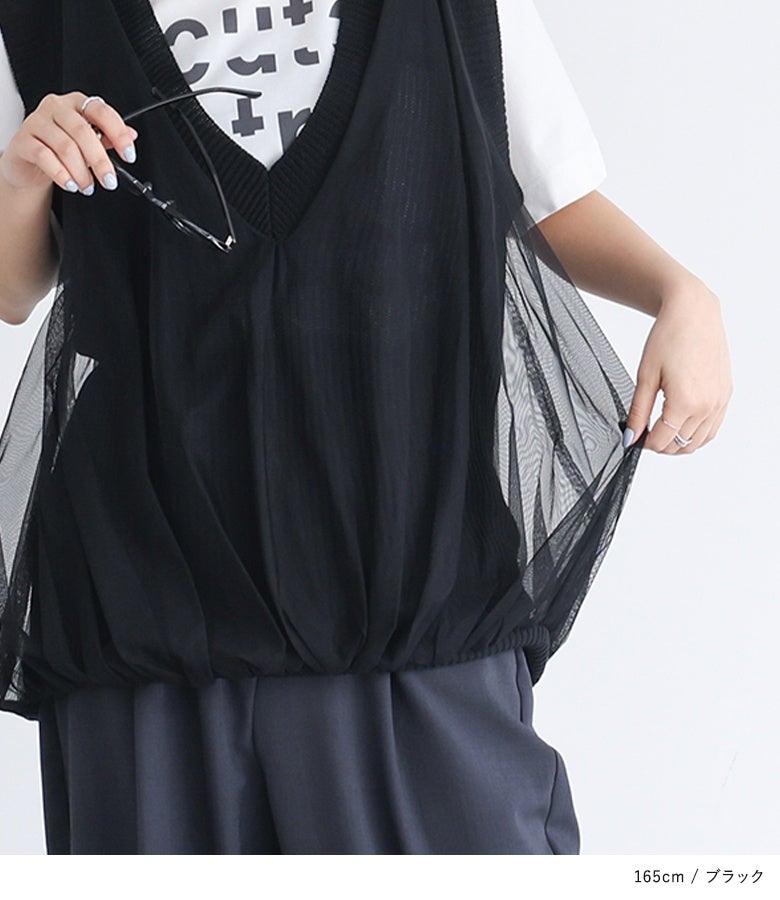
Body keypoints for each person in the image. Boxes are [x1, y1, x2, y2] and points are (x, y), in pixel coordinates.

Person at [0, 0, 732, 854]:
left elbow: (542, 193)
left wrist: (680, 293)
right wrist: (22, 179)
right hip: (149, 601)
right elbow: (15, 290)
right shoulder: (42, 14)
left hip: (411, 576)